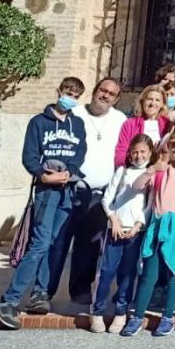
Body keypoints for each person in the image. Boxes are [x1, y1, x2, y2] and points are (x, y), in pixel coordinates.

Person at [0, 78, 89, 329]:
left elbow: (80, 153)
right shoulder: (39, 122)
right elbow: (30, 155)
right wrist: (43, 174)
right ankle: (8, 300)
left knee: (55, 244)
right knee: (40, 244)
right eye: (68, 92)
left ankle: (40, 293)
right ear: (59, 92)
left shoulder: (77, 125)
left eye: (76, 95)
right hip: (47, 191)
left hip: (68, 189)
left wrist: (70, 172)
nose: (71, 98)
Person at [119, 128, 175, 337]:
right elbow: (137, 185)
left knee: (174, 272)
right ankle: (137, 316)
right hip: (157, 226)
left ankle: (167, 317)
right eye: (173, 145)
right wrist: (152, 168)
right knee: (149, 275)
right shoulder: (156, 170)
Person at [59, 75, 125, 310]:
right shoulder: (75, 114)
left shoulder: (120, 120)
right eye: (102, 90)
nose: (105, 95)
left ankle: (80, 290)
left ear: (116, 99)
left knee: (89, 245)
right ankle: (44, 290)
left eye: (111, 93)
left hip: (99, 192)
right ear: (95, 90)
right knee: (58, 242)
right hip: (68, 189)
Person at [90, 132, 154, 332]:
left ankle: (121, 312)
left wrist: (137, 225)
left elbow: (150, 205)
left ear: (150, 153)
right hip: (115, 229)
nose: (138, 156)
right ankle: (97, 311)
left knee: (128, 273)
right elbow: (107, 199)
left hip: (135, 231)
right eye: (135, 152)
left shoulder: (152, 176)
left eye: (143, 152)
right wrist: (113, 219)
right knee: (107, 271)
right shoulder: (122, 172)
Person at [115, 85, 169, 167]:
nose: (152, 103)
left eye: (157, 100)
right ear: (142, 101)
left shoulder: (168, 125)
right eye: (149, 99)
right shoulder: (130, 124)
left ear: (162, 104)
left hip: (159, 173)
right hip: (134, 171)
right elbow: (121, 152)